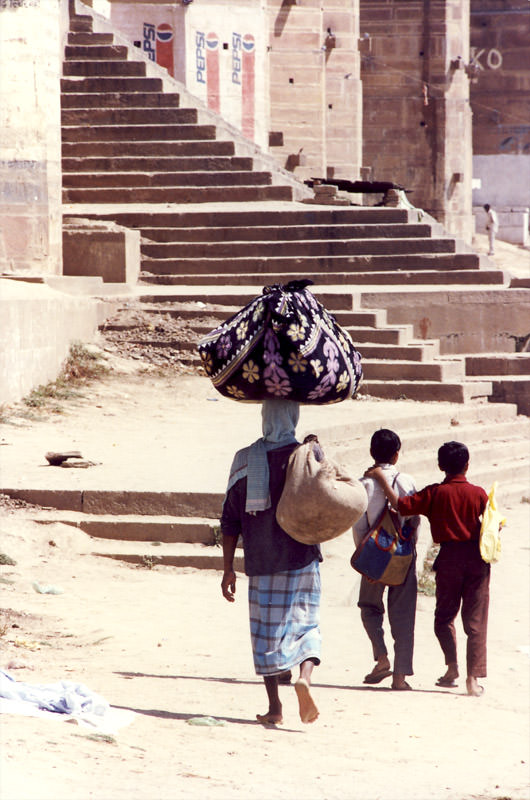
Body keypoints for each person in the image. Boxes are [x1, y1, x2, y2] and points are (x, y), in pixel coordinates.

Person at [220, 398, 322, 725]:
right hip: (304, 556)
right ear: (294, 417)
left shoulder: (244, 460)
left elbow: (230, 520)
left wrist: (227, 568)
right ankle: (304, 676)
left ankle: (275, 707)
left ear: (265, 417)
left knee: (267, 634)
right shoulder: (308, 455)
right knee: (305, 622)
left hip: (262, 560)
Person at [366, 441, 489, 697]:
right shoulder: (478, 493)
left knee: (444, 617)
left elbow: (401, 505)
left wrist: (380, 478)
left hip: (448, 561)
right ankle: (473, 679)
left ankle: (452, 667)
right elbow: (492, 526)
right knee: (475, 622)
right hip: (477, 561)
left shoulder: (435, 493)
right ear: (467, 465)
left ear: (440, 466)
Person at [353, 429, 420, 691]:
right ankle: (400, 677)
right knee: (403, 615)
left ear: (371, 453)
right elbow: (414, 520)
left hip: (374, 555)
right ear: (397, 454)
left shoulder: (363, 484)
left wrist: (364, 558)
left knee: (369, 606)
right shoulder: (407, 481)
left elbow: (359, 527)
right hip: (403, 555)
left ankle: (381, 657)